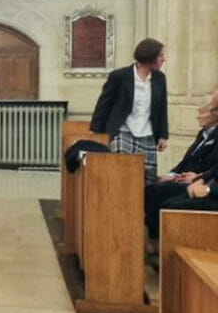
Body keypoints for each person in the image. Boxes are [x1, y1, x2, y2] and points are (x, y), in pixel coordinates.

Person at [90, 38, 168, 184]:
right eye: (161, 55)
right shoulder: (119, 76)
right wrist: (96, 132)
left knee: (147, 179)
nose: (164, 59)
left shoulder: (160, 78)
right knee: (121, 174)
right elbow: (103, 104)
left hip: (147, 133)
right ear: (149, 56)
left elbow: (162, 106)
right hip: (123, 131)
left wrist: (163, 135)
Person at [145, 91, 218, 245]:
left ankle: (167, 251)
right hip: (202, 183)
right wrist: (198, 178)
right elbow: (212, 169)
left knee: (171, 204)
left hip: (211, 190)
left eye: (203, 111)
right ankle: (157, 243)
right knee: (154, 190)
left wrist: (207, 188)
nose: (198, 116)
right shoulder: (203, 134)